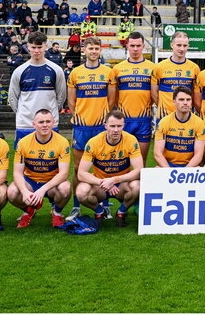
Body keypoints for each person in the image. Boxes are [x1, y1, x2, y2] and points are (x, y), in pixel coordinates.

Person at [67, 36, 113, 217]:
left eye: (97, 48)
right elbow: (71, 101)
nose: (94, 51)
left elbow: (111, 99)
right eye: (90, 48)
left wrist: (104, 118)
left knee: (104, 166)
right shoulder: (76, 73)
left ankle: (105, 204)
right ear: (84, 50)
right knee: (78, 167)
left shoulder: (108, 72)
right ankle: (76, 206)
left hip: (101, 127)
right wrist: (80, 116)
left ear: (100, 50)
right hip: (82, 127)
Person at [76, 110, 143, 227]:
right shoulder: (94, 143)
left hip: (121, 184)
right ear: (105, 125)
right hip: (100, 185)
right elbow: (81, 174)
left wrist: (114, 180)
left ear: (124, 125)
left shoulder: (131, 140)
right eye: (112, 126)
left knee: (138, 186)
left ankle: (121, 212)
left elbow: (139, 170)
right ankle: (99, 211)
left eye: (119, 126)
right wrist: (103, 182)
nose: (116, 130)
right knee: (81, 192)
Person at [9, 109, 72, 229]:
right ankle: (29, 211)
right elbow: (17, 173)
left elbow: (64, 173)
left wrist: (42, 190)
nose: (45, 125)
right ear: (34, 124)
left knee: (65, 188)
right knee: (12, 192)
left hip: (52, 182)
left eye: (48, 121)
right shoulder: (23, 142)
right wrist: (25, 192)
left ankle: (57, 213)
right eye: (41, 122)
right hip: (31, 181)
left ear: (53, 123)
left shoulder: (62, 142)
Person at [8, 31, 67, 145]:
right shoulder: (19, 71)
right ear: (28, 47)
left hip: (49, 125)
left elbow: (61, 96)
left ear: (46, 46)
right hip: (25, 124)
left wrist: (52, 112)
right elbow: (12, 97)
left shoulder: (56, 70)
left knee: (51, 160)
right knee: (23, 161)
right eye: (33, 47)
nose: (36, 51)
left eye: (40, 47)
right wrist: (22, 113)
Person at [109, 32, 156, 164]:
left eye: (138, 46)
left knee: (141, 162)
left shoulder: (153, 68)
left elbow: (155, 93)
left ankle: (139, 185)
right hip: (123, 120)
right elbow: (114, 94)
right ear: (127, 46)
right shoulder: (117, 69)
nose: (135, 49)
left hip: (144, 120)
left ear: (143, 46)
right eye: (132, 46)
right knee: (121, 162)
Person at [154, 86, 205, 168]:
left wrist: (183, 172)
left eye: (188, 100)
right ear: (174, 101)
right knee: (157, 169)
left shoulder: (199, 123)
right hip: (168, 165)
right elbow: (157, 154)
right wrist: (170, 171)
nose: (185, 103)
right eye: (181, 100)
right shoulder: (164, 122)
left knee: (198, 168)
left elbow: (198, 155)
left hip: (189, 166)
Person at [151, 31, 200, 118]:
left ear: (188, 46)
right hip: (164, 115)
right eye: (178, 45)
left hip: (185, 116)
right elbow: (154, 93)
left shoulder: (194, 68)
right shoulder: (159, 67)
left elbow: (196, 94)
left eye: (185, 46)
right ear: (172, 45)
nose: (182, 49)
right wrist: (163, 106)